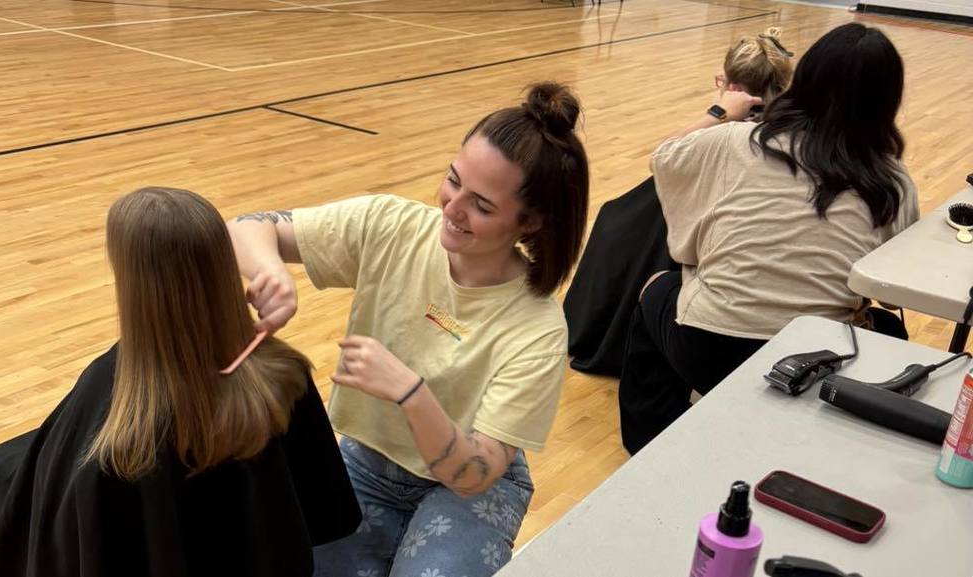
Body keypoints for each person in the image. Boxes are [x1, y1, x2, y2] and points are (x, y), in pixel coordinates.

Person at [226, 82, 589, 577]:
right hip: (368, 461)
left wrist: (410, 393)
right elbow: (247, 227)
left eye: (482, 206)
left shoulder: (538, 328)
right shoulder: (392, 226)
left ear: (531, 223)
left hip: (470, 487)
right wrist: (271, 271)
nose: (452, 207)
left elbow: (474, 474)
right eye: (453, 180)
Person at [0, 187, 360, 577]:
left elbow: (66, 517)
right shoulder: (284, 371)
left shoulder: (118, 419)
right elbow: (322, 509)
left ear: (133, 283)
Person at [619, 23, 921, 454]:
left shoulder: (737, 140)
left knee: (658, 287)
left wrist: (720, 111)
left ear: (806, 80)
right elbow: (891, 295)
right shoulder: (892, 180)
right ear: (886, 100)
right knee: (888, 330)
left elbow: (664, 158)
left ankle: (649, 445)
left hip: (709, 348)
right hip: (814, 362)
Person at [565, 28, 794, 377]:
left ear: (733, 88)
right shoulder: (796, 132)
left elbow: (662, 156)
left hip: (718, 303)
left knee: (617, 220)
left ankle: (608, 333)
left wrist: (717, 112)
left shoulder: (725, 136)